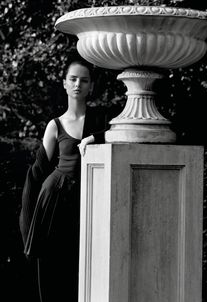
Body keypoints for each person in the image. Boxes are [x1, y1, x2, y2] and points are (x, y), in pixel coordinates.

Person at [19, 58, 106, 302]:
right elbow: (36, 175)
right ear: (65, 84)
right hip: (54, 200)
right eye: (73, 79)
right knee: (52, 271)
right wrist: (27, 225)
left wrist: (94, 138)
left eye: (84, 80)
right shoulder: (55, 125)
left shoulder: (99, 120)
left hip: (85, 202)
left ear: (91, 87)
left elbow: (123, 133)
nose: (78, 84)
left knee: (82, 272)